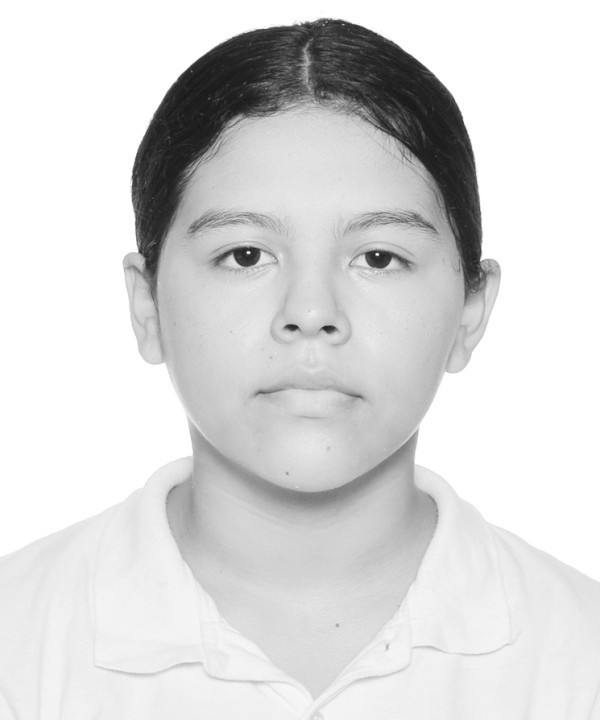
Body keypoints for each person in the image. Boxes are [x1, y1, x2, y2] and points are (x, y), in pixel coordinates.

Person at [0, 17, 598, 719]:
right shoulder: (19, 643)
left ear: (471, 310)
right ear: (146, 304)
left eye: (379, 257)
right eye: (245, 255)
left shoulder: (579, 656)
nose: (311, 312)